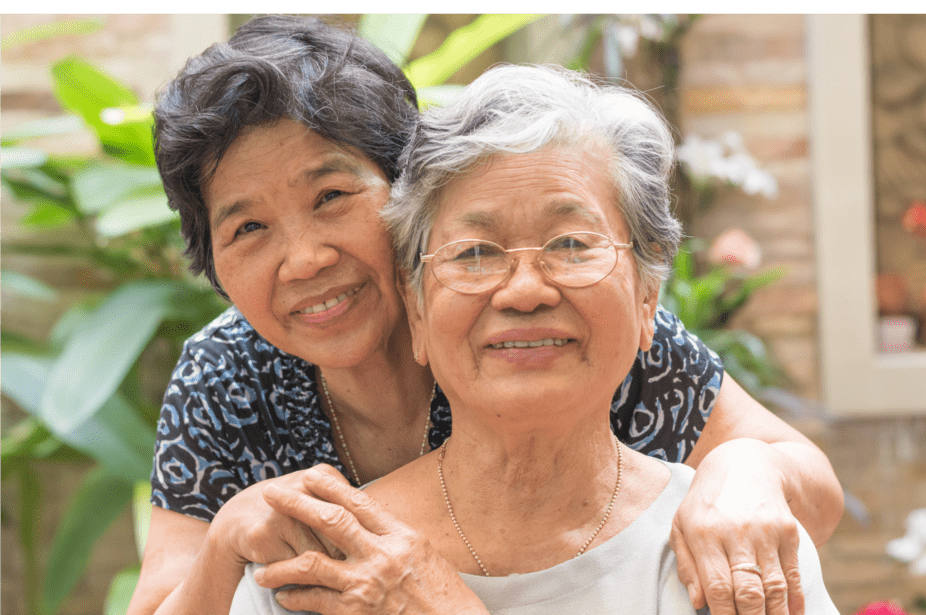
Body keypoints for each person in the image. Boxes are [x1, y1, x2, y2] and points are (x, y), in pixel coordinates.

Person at [128, 14, 843, 615]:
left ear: (406, 194)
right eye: (247, 229)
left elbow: (806, 481)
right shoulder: (227, 372)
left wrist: (743, 469)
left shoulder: (566, 327)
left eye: (331, 197)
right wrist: (226, 540)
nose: (304, 258)